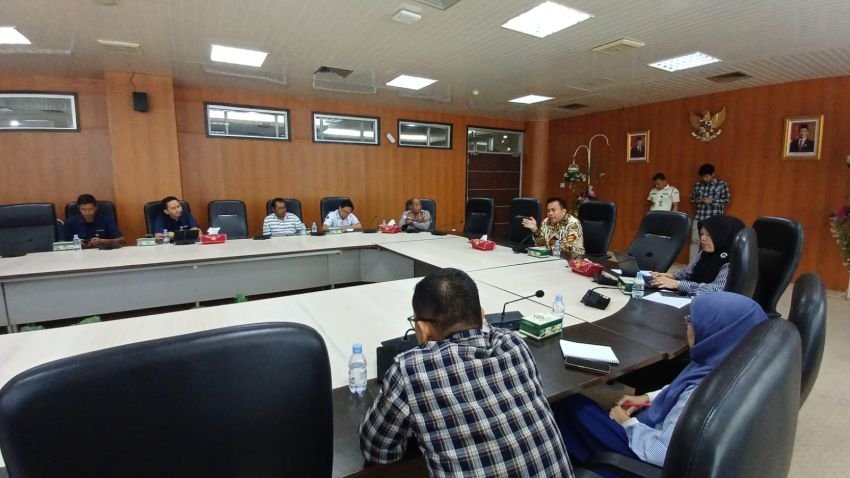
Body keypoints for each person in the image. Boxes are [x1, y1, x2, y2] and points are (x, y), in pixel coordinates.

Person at [360, 268, 574, 477]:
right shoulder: (514, 344)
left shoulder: (411, 368)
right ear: (482, 315)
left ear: (423, 329)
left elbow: (378, 450)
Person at [553, 293, 767, 475]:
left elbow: (662, 453)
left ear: (717, 331)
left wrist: (626, 423)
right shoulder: (729, 363)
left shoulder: (702, 391)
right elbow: (679, 392)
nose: (687, 325)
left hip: (643, 458)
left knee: (571, 405)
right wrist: (648, 398)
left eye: (692, 320)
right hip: (665, 436)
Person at [649, 215, 744, 295]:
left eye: (709, 235)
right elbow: (689, 273)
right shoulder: (705, 253)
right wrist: (670, 276)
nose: (702, 238)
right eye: (701, 234)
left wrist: (677, 284)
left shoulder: (731, 260)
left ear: (724, 236)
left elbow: (716, 290)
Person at [688, 163, 731, 262]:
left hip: (715, 219)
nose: (705, 179)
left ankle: (711, 264)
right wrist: (699, 200)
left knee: (713, 242)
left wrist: (713, 201)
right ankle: (691, 265)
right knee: (695, 241)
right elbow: (692, 200)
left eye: (707, 176)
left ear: (713, 174)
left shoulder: (721, 184)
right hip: (699, 217)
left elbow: (727, 200)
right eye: (703, 177)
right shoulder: (698, 185)